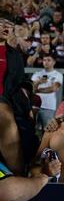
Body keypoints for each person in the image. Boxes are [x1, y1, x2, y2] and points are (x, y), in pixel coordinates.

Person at [0, 9, 38, 175]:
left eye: (9, 25)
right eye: (2, 23)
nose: (6, 27)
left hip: (7, 102)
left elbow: (22, 81)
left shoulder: (15, 55)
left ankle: (19, 174)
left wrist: (27, 103)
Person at [31, 54, 63, 135]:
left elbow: (53, 88)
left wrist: (38, 89)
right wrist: (38, 82)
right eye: (44, 60)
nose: (46, 62)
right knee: (33, 130)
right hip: (35, 106)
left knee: (48, 131)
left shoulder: (58, 75)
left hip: (49, 107)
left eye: (49, 60)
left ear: (54, 62)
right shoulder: (37, 74)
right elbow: (32, 89)